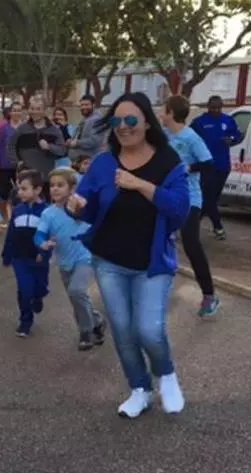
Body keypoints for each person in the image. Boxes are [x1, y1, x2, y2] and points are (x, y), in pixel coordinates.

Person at [66, 91, 189, 419]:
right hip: (110, 262)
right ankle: (139, 389)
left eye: (131, 119)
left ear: (147, 122)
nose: (123, 126)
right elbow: (87, 205)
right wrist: (75, 206)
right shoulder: (104, 163)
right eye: (117, 121)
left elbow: (180, 210)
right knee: (122, 331)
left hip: (152, 264)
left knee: (149, 330)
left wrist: (141, 185)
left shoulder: (168, 162)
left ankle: (166, 374)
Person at [34, 168, 106, 349]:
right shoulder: (48, 213)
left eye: (60, 185)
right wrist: (43, 243)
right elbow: (39, 234)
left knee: (77, 291)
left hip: (85, 257)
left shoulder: (81, 207)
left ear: (72, 188)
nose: (55, 189)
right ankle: (97, 320)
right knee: (76, 299)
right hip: (64, 262)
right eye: (52, 185)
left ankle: (86, 332)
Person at [162, 95, 220, 317]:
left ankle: (209, 295)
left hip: (189, 198)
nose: (160, 113)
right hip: (167, 195)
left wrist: (188, 168)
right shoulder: (164, 135)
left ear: (171, 113)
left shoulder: (191, 137)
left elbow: (208, 164)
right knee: (154, 238)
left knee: (191, 244)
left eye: (163, 110)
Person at [2, 169, 51, 337]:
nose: (20, 192)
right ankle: (25, 321)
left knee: (40, 287)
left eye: (24, 189)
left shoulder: (47, 212)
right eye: (19, 189)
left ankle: (38, 297)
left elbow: (49, 237)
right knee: (24, 290)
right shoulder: (17, 210)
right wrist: (7, 254)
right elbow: (11, 233)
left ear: (38, 189)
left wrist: (43, 254)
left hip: (38, 259)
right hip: (20, 258)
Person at [191, 95, 242, 240]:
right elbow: (189, 138)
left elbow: (237, 135)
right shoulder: (200, 122)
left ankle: (191, 225)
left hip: (223, 165)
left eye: (219, 108)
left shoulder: (228, 120)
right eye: (213, 108)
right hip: (207, 165)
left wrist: (231, 140)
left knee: (213, 198)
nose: (216, 110)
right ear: (208, 107)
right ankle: (217, 227)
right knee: (208, 197)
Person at [8, 96, 67, 198]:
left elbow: (62, 150)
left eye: (38, 109)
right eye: (32, 108)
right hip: (26, 178)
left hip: (46, 178)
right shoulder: (22, 129)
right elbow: (11, 146)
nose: (35, 112)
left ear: (45, 110)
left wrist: (49, 147)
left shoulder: (54, 130)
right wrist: (17, 162)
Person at [0, 103, 24, 223]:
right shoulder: (4, 128)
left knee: (20, 193)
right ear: (10, 112)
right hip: (4, 165)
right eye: (14, 110)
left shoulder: (25, 127)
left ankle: (17, 217)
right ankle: (4, 218)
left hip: (21, 166)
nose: (16, 113)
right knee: (3, 194)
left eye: (19, 110)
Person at [66, 94, 105, 160]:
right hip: (80, 160)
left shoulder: (96, 119)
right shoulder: (86, 119)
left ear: (93, 105)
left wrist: (77, 143)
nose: (83, 107)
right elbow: (79, 136)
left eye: (86, 105)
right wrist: (71, 141)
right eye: (82, 105)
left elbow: (94, 141)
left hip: (89, 161)